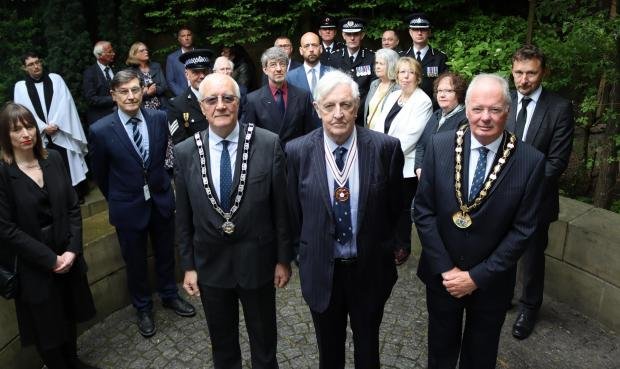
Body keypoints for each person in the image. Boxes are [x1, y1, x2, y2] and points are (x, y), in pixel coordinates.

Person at [414, 74, 545, 369]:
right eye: (478, 108)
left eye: (495, 110)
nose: (485, 118)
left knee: (481, 356)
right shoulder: (439, 146)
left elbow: (523, 230)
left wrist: (476, 278)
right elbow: (423, 211)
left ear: (507, 112)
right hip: (442, 277)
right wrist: (448, 270)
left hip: (491, 283)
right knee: (440, 352)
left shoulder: (530, 161)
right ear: (467, 107)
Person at [285, 70, 404, 369]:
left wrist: (391, 249)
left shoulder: (385, 148)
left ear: (357, 105)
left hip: (369, 269)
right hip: (322, 271)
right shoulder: (297, 151)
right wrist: (302, 253)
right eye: (329, 106)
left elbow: (398, 208)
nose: (338, 114)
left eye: (346, 105)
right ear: (317, 108)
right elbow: (292, 211)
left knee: (368, 350)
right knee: (329, 352)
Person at [175, 73, 293, 369]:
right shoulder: (185, 152)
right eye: (212, 100)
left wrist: (283, 259)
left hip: (259, 262)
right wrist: (188, 265)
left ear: (239, 103)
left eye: (228, 98)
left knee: (265, 344)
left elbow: (282, 208)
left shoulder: (268, 143)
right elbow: (183, 216)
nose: (221, 105)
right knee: (222, 346)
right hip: (210, 266)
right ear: (202, 107)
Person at [89, 69, 195, 338]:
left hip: (159, 199)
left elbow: (159, 160)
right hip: (127, 206)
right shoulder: (100, 130)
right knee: (134, 261)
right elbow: (101, 174)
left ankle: (170, 295)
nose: (131, 96)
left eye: (135, 89)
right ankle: (143, 307)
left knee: (165, 253)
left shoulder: (159, 118)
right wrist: (121, 195)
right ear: (113, 95)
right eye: (123, 91)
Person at [0, 102, 98, 369]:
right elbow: (6, 229)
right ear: (5, 136)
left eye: (29, 126)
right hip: (35, 264)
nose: (25, 134)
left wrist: (72, 251)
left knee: (69, 312)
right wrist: (50, 260)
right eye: (16, 129)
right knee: (46, 325)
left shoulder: (52, 159)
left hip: (67, 255)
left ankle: (74, 361)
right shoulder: (4, 174)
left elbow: (72, 207)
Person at [508, 45, 575, 340]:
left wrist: (520, 186)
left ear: (543, 72)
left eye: (531, 73)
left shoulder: (559, 108)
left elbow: (557, 162)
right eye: (519, 73)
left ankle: (529, 307)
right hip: (499, 195)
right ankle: (502, 296)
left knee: (533, 257)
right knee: (501, 249)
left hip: (536, 199)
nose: (524, 80)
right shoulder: (504, 101)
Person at [371, 57, 432, 264]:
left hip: (405, 164)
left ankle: (402, 246)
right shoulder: (393, 95)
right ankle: (388, 242)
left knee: (403, 208)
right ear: (396, 76)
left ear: (418, 77)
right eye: (401, 72)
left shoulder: (423, 101)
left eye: (410, 72)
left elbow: (412, 136)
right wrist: (378, 148)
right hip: (384, 159)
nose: (405, 77)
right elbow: (379, 124)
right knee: (387, 205)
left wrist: (384, 152)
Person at [13, 52, 89, 200]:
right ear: (24, 68)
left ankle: (75, 194)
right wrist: (42, 127)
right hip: (39, 136)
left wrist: (56, 124)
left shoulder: (56, 79)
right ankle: (55, 197)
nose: (36, 66)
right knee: (46, 166)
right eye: (31, 64)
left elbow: (65, 103)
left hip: (61, 131)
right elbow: (23, 110)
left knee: (66, 162)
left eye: (37, 62)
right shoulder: (20, 87)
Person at [242, 47, 316, 147]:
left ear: (287, 67)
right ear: (265, 69)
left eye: (282, 64)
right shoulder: (252, 100)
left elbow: (309, 135)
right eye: (273, 65)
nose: (278, 69)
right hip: (268, 158)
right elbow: (249, 138)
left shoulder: (303, 96)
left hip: (295, 157)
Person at [415, 71, 468, 178]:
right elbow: (421, 144)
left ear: (459, 93)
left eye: (448, 91)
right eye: (439, 91)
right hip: (425, 176)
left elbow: (455, 155)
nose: (442, 95)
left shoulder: (465, 119)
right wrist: (419, 168)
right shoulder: (436, 115)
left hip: (448, 178)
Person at [328, 17, 375, 126]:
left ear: (362, 35)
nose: (352, 38)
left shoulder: (371, 57)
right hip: (341, 113)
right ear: (343, 35)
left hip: (364, 112)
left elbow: (374, 88)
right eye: (349, 34)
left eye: (356, 34)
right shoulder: (335, 57)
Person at [401, 13, 448, 107]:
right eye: (415, 29)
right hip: (405, 107)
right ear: (410, 32)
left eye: (423, 29)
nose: (419, 33)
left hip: (432, 107)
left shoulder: (440, 58)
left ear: (429, 32)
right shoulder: (401, 57)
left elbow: (443, 86)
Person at [167, 49, 214, 145]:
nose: (202, 76)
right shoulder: (177, 105)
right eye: (196, 72)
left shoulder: (221, 98)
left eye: (205, 71)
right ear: (187, 74)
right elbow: (180, 144)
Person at [363, 48, 400, 129]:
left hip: (385, 136)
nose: (377, 67)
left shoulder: (398, 88)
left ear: (391, 65)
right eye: (376, 63)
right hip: (369, 132)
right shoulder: (374, 84)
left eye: (381, 64)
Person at [126, 42, 169, 110]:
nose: (146, 52)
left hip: (162, 106)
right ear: (134, 54)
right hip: (142, 109)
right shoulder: (130, 72)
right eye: (142, 50)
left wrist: (154, 90)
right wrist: (147, 93)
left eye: (146, 50)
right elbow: (131, 93)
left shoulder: (156, 66)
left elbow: (164, 86)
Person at [83, 41, 116, 125]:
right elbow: (91, 99)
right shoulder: (90, 73)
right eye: (110, 52)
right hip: (101, 118)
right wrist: (113, 98)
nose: (113, 54)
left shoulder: (115, 69)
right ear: (100, 55)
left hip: (119, 116)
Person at [166, 26, 195, 96]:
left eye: (189, 35)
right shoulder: (172, 58)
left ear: (192, 37)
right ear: (179, 39)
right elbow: (170, 81)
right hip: (182, 97)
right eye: (183, 36)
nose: (186, 38)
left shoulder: (201, 54)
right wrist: (183, 95)